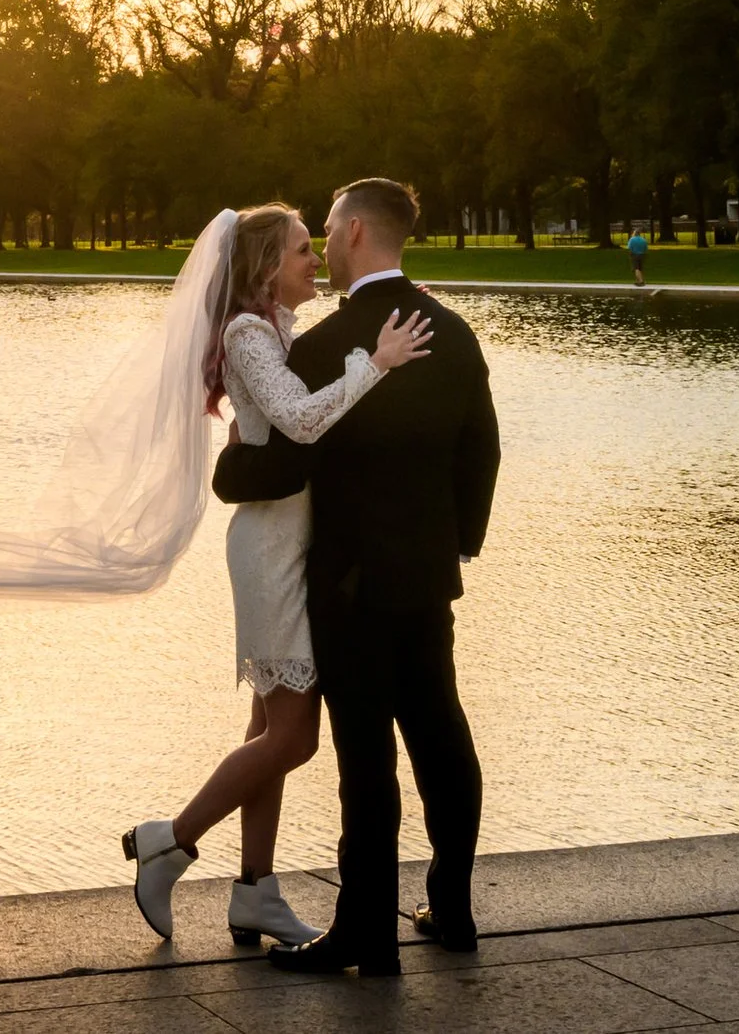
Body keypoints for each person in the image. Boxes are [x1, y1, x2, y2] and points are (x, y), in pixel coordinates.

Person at [121, 205, 432, 948]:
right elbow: (299, 419)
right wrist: (376, 363)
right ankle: (170, 840)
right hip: (270, 549)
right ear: (266, 267)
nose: (314, 259)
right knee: (294, 737)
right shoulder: (247, 333)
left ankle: (255, 892)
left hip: (290, 540)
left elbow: (284, 414)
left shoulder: (276, 331)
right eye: (300, 251)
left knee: (268, 726)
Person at [243, 178, 501, 977]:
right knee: (441, 734)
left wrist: (226, 471)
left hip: (348, 583)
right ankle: (452, 909)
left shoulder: (322, 346)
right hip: (425, 577)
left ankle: (367, 935)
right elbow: (483, 450)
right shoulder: (453, 333)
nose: (322, 243)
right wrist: (455, 545)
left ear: (355, 230)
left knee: (365, 759)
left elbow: (283, 463)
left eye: (326, 228)